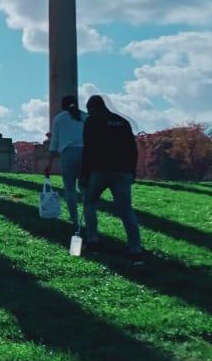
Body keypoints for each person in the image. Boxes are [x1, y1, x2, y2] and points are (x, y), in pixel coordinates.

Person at [78, 95, 143, 264]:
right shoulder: (122, 122)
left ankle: (93, 239)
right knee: (126, 209)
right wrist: (132, 171)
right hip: (122, 171)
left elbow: (89, 148)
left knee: (89, 204)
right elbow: (132, 149)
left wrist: (84, 174)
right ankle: (135, 247)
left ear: (91, 108)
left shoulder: (92, 120)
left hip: (99, 170)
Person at [41, 94, 86, 226]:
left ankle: (74, 218)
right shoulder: (85, 116)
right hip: (85, 153)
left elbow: (54, 142)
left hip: (68, 153)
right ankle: (87, 217)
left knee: (70, 188)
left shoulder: (59, 119)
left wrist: (49, 163)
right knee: (85, 188)